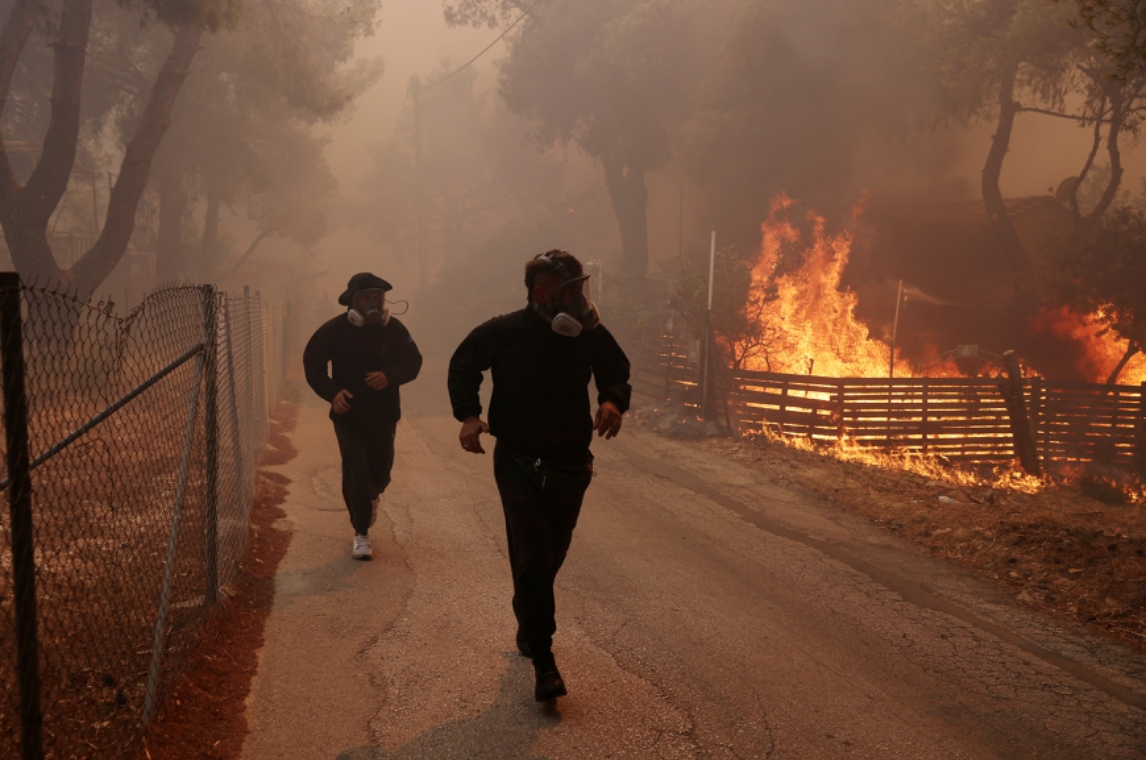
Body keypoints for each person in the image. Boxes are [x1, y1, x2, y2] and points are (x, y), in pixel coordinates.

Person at [447, 250, 631, 702]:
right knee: (532, 558)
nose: (581, 299)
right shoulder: (503, 332)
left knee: (548, 560)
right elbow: (463, 365)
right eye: (572, 290)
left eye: (581, 288)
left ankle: (528, 615)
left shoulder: (588, 335)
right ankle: (544, 661)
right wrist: (468, 415)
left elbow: (616, 371)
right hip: (517, 463)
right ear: (542, 293)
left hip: (570, 466)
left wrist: (612, 401)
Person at [304, 272, 423, 561]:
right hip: (348, 417)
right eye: (366, 297)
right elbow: (313, 365)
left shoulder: (394, 329)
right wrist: (333, 393)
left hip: (384, 417)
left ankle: (372, 497)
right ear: (353, 302)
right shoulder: (333, 330)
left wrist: (390, 376)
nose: (373, 303)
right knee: (357, 472)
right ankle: (361, 534)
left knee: (379, 475)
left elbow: (413, 362)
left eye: (377, 297)